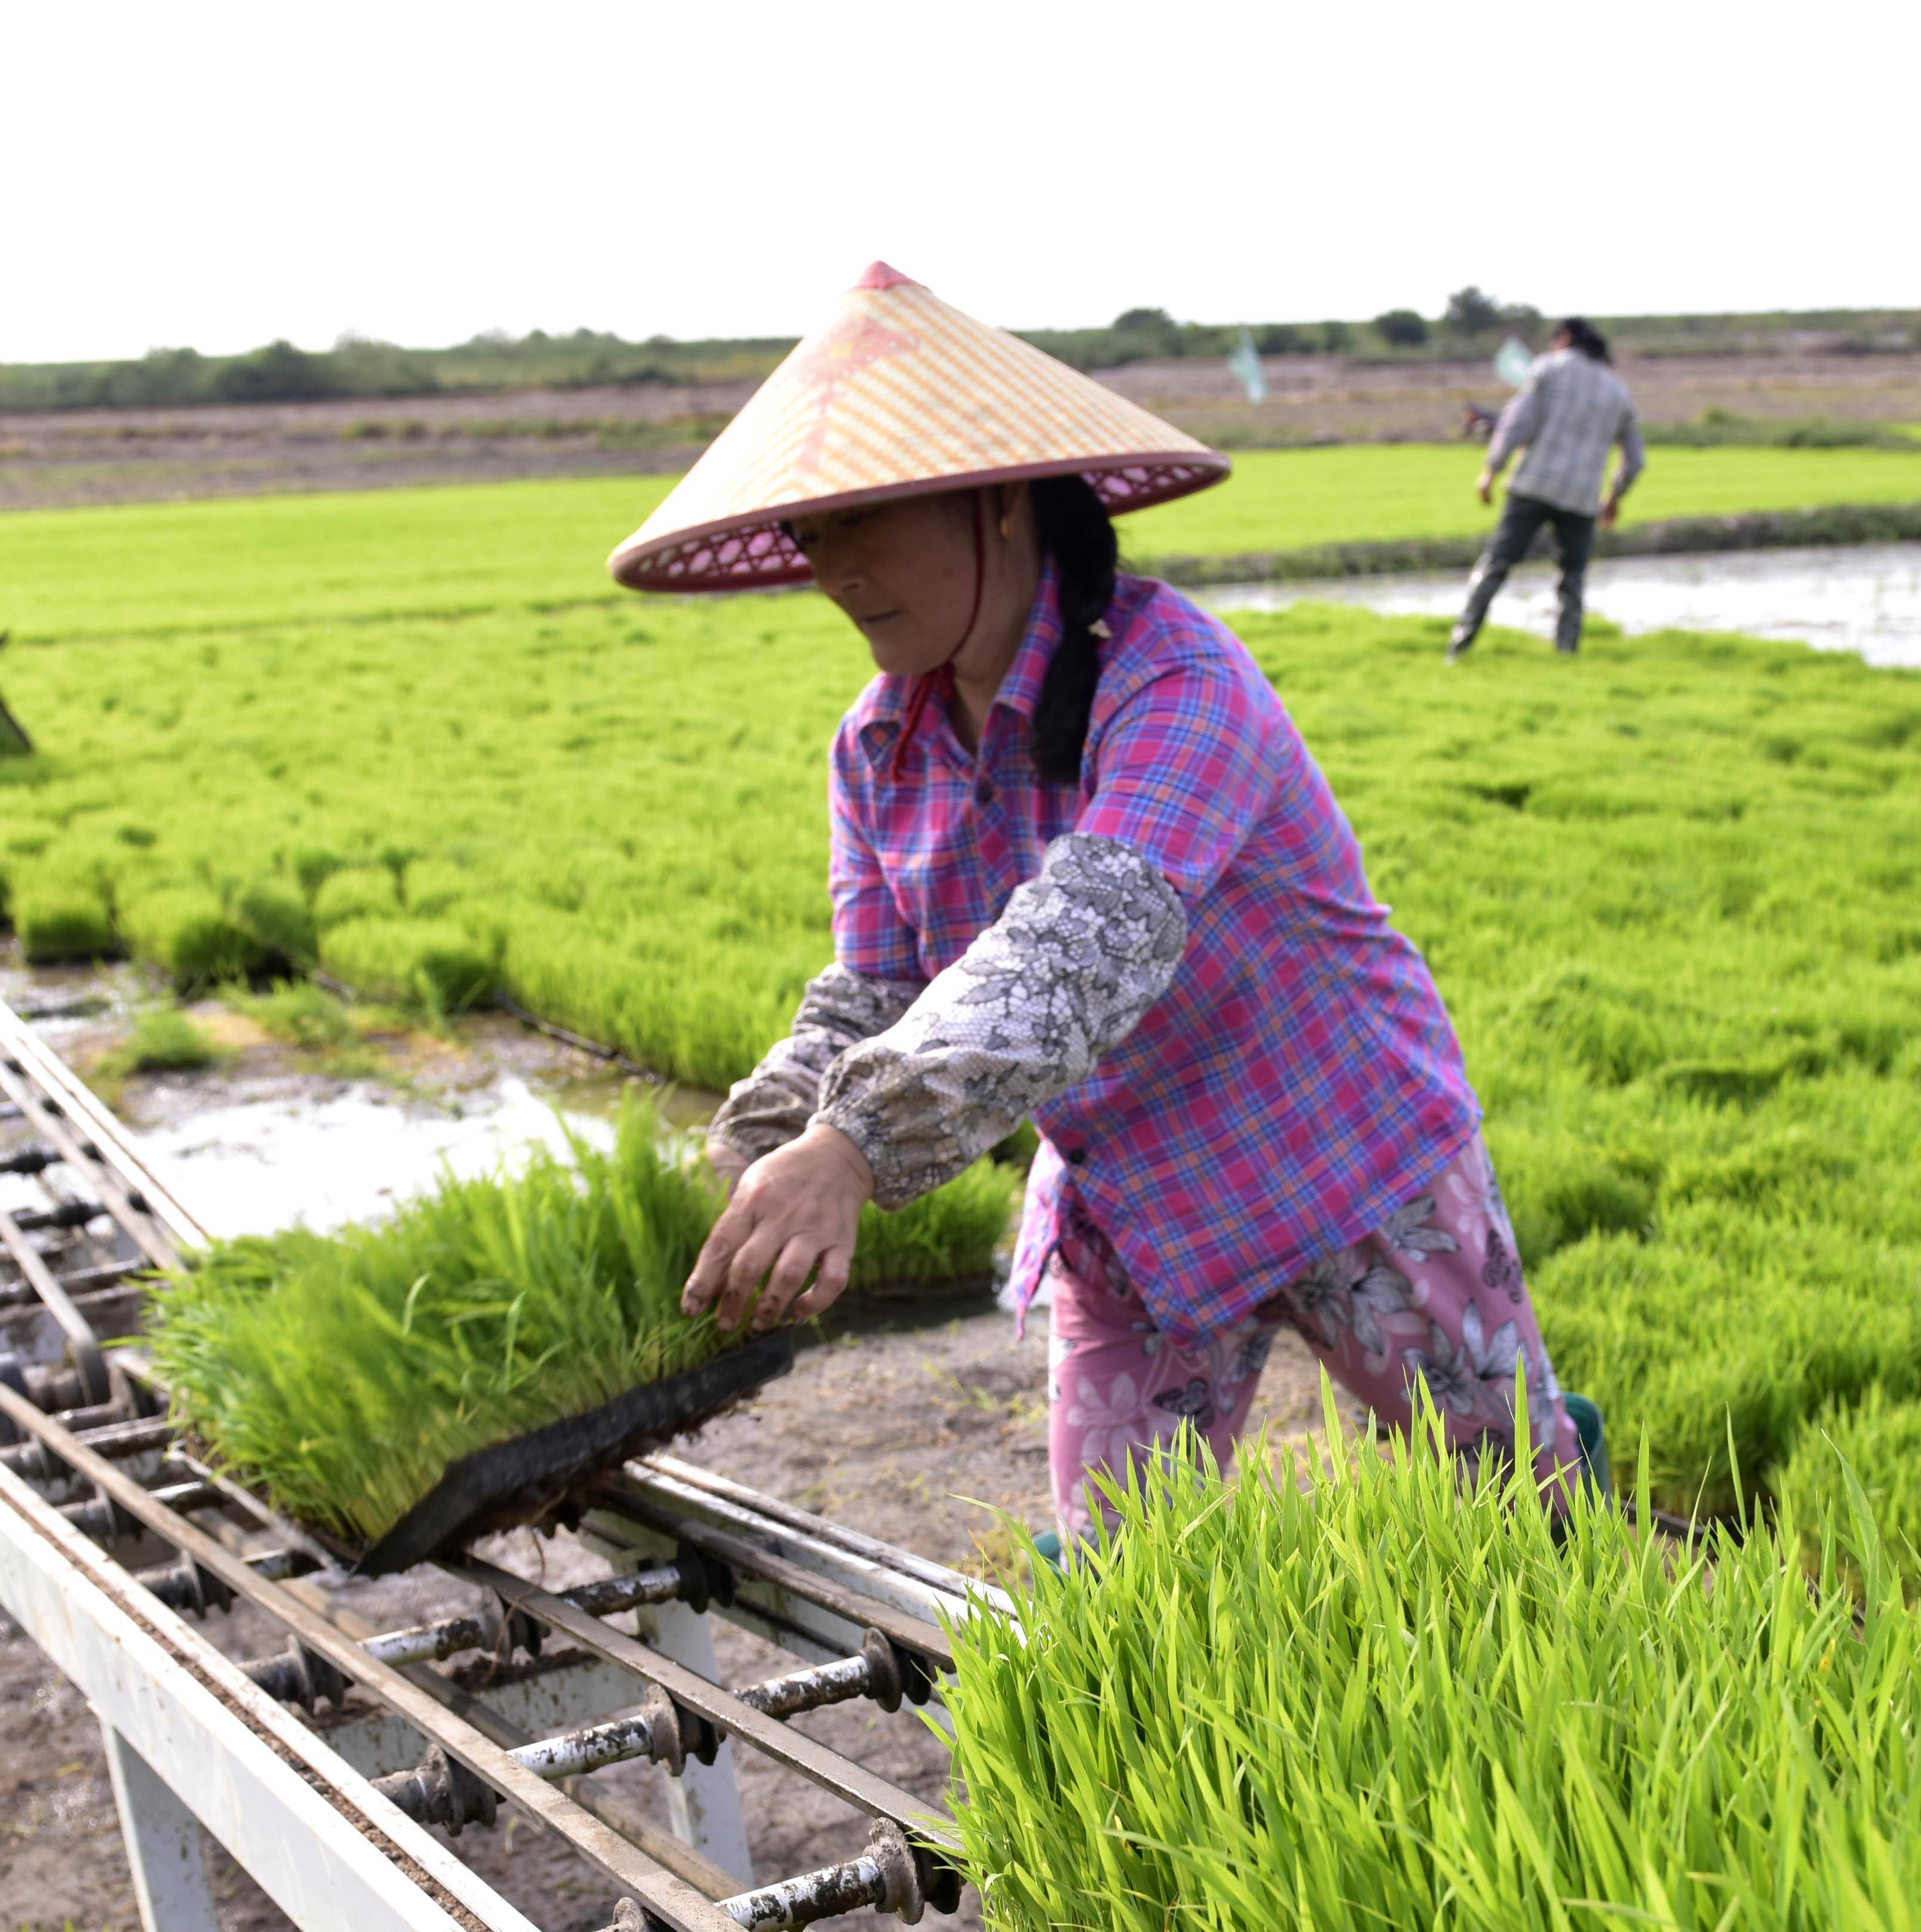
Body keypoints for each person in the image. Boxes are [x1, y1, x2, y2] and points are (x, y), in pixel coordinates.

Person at [610, 263, 1582, 1542]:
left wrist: (851, 1149)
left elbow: (1087, 942)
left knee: (1518, 1497)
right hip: (1132, 1207)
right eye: (811, 533)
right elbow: (875, 987)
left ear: (1000, 500)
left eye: (866, 520)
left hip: (1341, 1155)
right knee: (1122, 1578)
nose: (834, 569)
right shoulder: (875, 748)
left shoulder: (1174, 681)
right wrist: (763, 1139)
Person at [1448, 319, 1645, 660]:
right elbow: (1636, 460)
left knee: (1496, 564)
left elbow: (1516, 424)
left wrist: (1491, 470)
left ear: (1565, 338)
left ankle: (1459, 646)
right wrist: (1614, 498)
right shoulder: (1618, 392)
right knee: (1573, 579)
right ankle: (1566, 653)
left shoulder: (1547, 370)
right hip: (1582, 498)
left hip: (1533, 486)